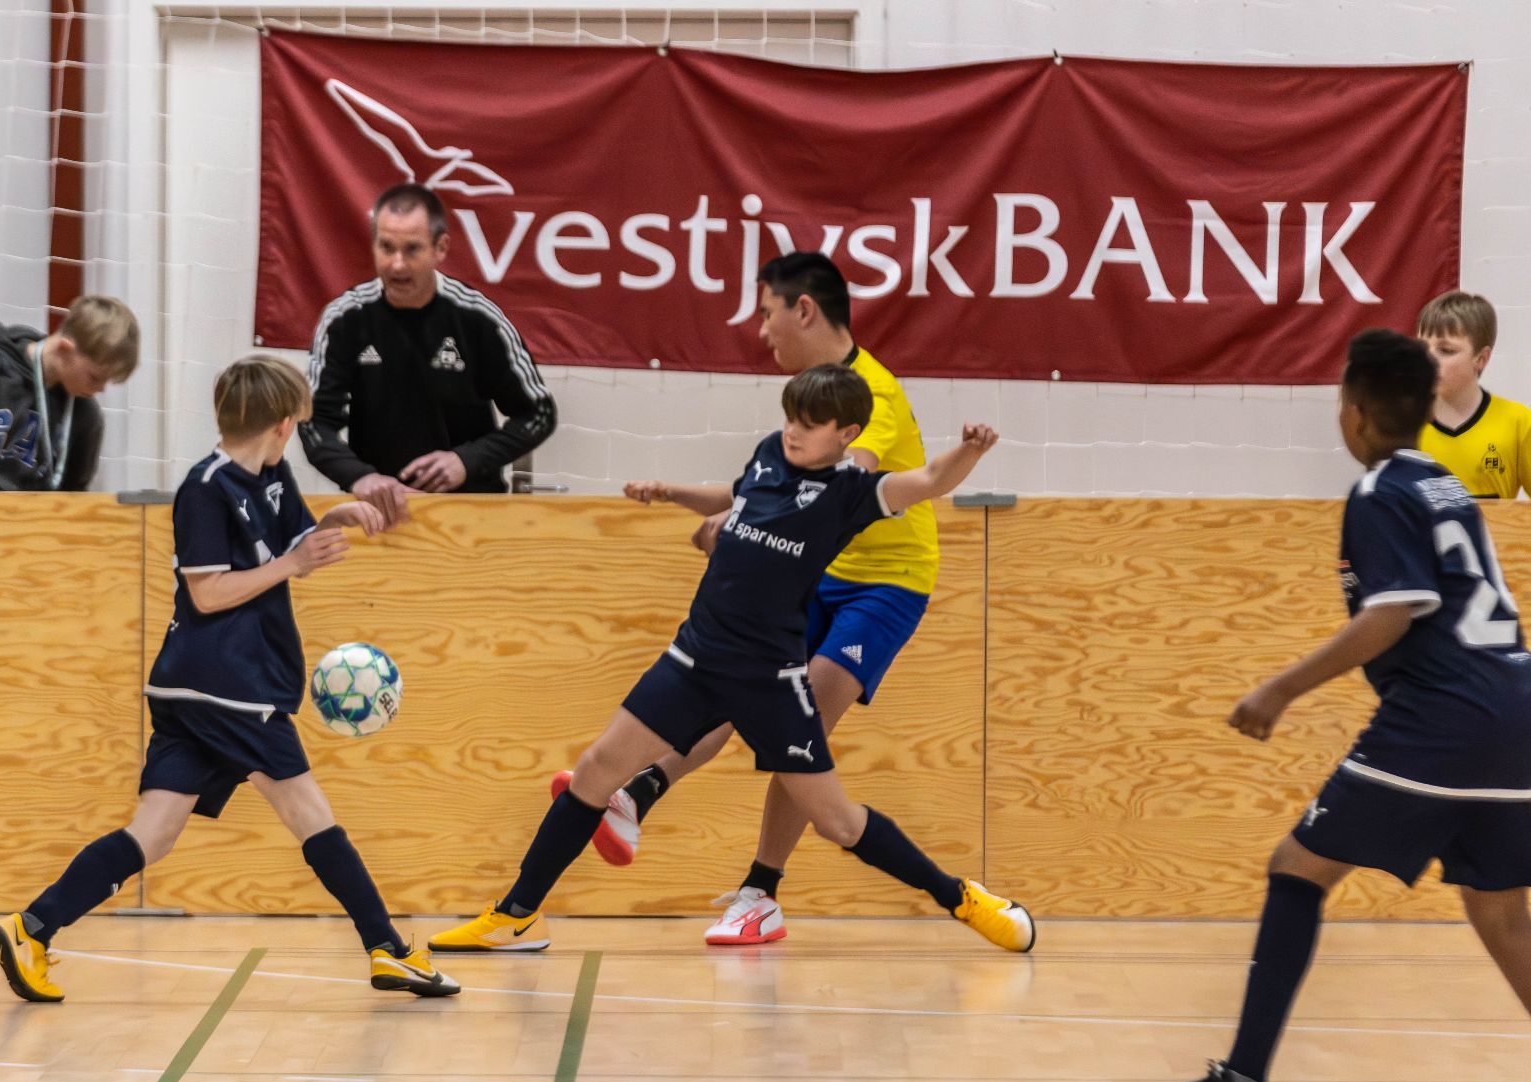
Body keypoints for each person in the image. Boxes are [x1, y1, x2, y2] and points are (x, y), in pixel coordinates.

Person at [429, 365, 1033, 955]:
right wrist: (673, 494)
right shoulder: (770, 453)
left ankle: (960, 898)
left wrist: (970, 450)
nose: (794, 431)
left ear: (847, 434)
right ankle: (516, 917)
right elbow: (735, 496)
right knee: (593, 771)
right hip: (693, 659)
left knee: (839, 824)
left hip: (769, 682)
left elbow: (929, 479)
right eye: (791, 418)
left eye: (811, 424)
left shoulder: (852, 494)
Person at [0, 355, 462, 1003]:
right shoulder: (204, 488)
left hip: (201, 690)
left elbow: (294, 547)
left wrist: (342, 517)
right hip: (229, 686)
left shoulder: (273, 474)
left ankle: (30, 928)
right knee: (311, 815)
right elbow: (208, 594)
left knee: (154, 832)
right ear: (284, 424)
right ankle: (389, 950)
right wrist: (294, 564)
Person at [1141, 330, 1531, 1082]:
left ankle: (1242, 1077)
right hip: (1517, 713)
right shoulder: (1444, 484)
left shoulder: (1380, 491)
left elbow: (1391, 613)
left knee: (1297, 868)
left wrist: (1278, 689)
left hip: (1442, 720)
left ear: (1354, 412)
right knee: (1502, 915)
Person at [558, 251, 943, 946]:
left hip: (885, 582)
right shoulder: (810, 397)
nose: (761, 331)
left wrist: (737, 527)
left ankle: (761, 894)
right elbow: (777, 491)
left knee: (803, 724)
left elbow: (840, 491)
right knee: (738, 686)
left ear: (804, 311)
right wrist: (704, 503)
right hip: (813, 572)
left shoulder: (872, 398)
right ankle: (637, 795)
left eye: (767, 314)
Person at [300, 184, 556, 522]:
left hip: (471, 514)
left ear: (441, 248)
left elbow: (539, 414)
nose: (397, 264)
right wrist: (360, 477)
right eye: (386, 247)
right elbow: (313, 421)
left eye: (412, 249)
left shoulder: (477, 317)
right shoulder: (344, 318)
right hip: (378, 516)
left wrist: (467, 461)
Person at [0, 294, 139, 491]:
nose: (101, 389)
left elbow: (75, 498)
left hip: (37, 522)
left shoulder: (85, 415)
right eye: (95, 377)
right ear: (64, 349)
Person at [1415, 290, 1531, 500]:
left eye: (1445, 350)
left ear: (1481, 358)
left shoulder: (1518, 422)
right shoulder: (1404, 423)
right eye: (1423, 348)